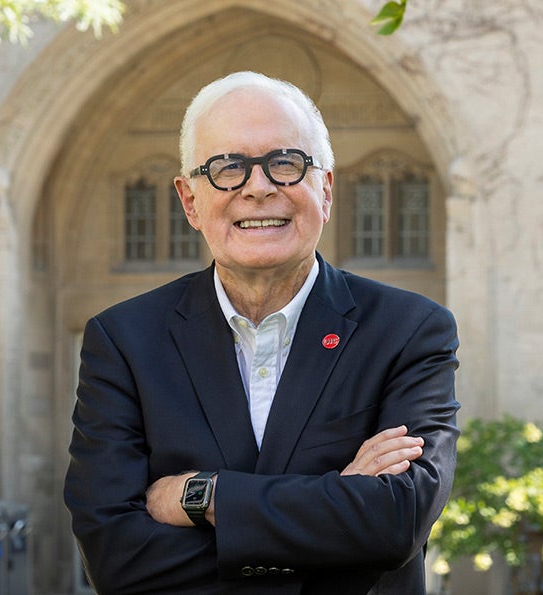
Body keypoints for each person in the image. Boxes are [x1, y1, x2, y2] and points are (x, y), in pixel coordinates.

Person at [64, 71, 460, 594]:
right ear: (189, 201)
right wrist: (335, 516)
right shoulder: (123, 342)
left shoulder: (410, 332)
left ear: (326, 188)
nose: (258, 186)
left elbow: (396, 522)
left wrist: (203, 497)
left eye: (285, 163)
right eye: (227, 167)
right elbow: (115, 557)